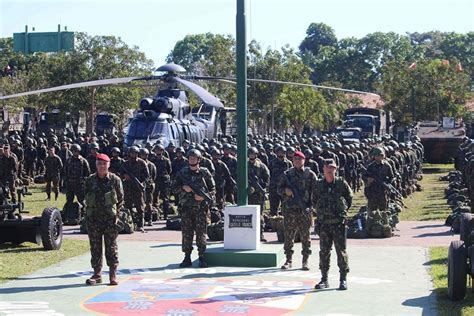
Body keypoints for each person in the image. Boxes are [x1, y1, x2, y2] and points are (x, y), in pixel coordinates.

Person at [84, 153, 124, 286]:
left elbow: (121, 200)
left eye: (104, 164)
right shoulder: (90, 180)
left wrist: (117, 216)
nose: (102, 166)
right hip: (94, 219)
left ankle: (113, 274)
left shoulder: (115, 180)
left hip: (110, 220)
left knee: (111, 248)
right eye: (99, 164)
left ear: (108, 165)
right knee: (95, 247)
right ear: (96, 165)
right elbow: (85, 197)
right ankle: (97, 274)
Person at [314, 159, 352, 290]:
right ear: (323, 169)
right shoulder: (318, 185)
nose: (330, 170)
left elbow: (349, 198)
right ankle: (324, 279)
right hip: (324, 224)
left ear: (336, 169)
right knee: (324, 252)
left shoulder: (341, 183)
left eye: (332, 168)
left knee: (341, 252)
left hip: (338, 224)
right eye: (327, 168)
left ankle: (343, 279)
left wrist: (342, 212)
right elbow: (314, 200)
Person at [173, 149, 215, 268]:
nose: (192, 160)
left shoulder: (205, 173)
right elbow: (173, 188)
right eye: (190, 158)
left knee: (201, 234)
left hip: (201, 209)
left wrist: (202, 197)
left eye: (194, 158)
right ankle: (187, 257)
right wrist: (183, 188)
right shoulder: (182, 172)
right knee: (187, 233)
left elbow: (212, 190)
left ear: (199, 159)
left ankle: (201, 256)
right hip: (186, 208)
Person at [278, 151, 317, 270]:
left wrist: (312, 207)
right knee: (289, 236)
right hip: (290, 210)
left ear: (304, 160)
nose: (297, 161)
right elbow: (278, 189)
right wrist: (285, 190)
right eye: (295, 159)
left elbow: (315, 192)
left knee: (306, 237)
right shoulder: (287, 174)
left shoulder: (310, 174)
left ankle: (305, 261)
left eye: (299, 159)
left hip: (304, 210)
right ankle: (288, 260)